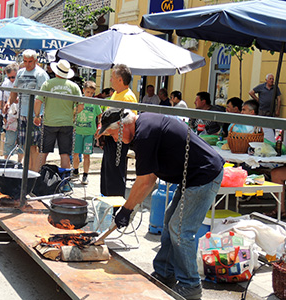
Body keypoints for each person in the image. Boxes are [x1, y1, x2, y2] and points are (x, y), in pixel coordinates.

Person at [98, 108, 224, 300]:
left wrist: (126, 209)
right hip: (189, 177)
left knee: (180, 229)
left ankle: (190, 285)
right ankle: (165, 273)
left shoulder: (145, 133)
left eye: (113, 134)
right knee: (169, 222)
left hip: (204, 175)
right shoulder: (143, 128)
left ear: (123, 125)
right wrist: (129, 208)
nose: (114, 139)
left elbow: (146, 181)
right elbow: (150, 176)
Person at [34, 59, 83, 170]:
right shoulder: (74, 87)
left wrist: (37, 116)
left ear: (56, 71)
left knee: (43, 152)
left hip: (49, 123)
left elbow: (38, 101)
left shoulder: (48, 84)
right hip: (67, 123)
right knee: (64, 154)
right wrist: (73, 114)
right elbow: (81, 106)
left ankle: (37, 179)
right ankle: (64, 183)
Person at [100, 64, 137, 197]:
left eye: (112, 77)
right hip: (110, 139)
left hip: (119, 140)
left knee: (115, 174)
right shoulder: (116, 93)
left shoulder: (128, 97)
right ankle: (106, 200)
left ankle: (115, 206)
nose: (110, 80)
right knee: (107, 173)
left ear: (120, 79)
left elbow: (129, 123)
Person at [9, 49, 49, 171]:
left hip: (35, 114)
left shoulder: (41, 74)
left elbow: (45, 95)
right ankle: (27, 171)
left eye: (30, 61)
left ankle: (33, 172)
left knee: (34, 146)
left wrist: (40, 114)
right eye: (25, 61)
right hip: (22, 113)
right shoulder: (20, 73)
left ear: (36, 61)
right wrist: (9, 103)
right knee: (26, 145)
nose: (27, 64)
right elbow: (14, 90)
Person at [73, 81, 102, 185]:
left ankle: (85, 175)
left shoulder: (94, 103)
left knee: (87, 155)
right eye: (88, 92)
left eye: (91, 93)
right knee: (76, 153)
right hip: (78, 131)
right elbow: (73, 113)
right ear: (83, 91)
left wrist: (99, 126)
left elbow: (100, 115)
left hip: (89, 132)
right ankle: (75, 171)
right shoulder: (79, 101)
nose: (89, 94)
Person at [1, 63, 20, 159]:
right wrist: (3, 114)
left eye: (13, 77)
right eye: (10, 78)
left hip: (22, 114)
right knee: (9, 140)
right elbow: (2, 100)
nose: (12, 79)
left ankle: (20, 163)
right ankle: (6, 162)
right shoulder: (6, 84)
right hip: (11, 116)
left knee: (22, 142)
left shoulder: (22, 82)